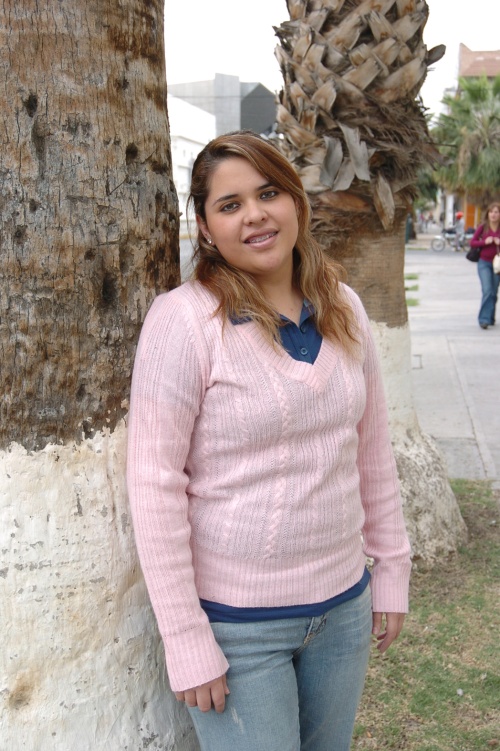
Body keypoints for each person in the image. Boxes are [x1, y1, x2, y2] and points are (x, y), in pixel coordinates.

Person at [127, 131, 412, 751]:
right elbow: (154, 488)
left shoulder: (344, 308)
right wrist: (186, 637)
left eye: (268, 193)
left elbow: (371, 453)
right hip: (237, 629)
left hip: (342, 610)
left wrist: (391, 569)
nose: (254, 215)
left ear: (296, 202)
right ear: (206, 228)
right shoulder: (183, 322)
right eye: (230, 205)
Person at [469, 202, 500, 329]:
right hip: (484, 263)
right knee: (487, 290)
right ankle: (484, 319)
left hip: (497, 264)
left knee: (493, 292)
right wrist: (484, 242)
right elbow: (472, 242)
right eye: (491, 212)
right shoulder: (483, 227)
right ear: (488, 214)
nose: (493, 214)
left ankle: (490, 316)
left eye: (496, 212)